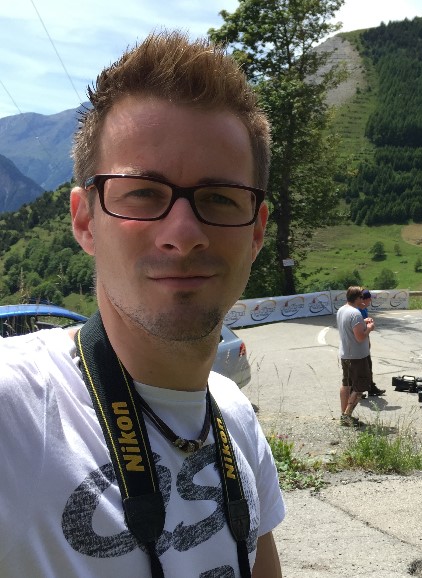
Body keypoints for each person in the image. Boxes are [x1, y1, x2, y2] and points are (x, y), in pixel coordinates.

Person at [0, 31, 284, 577]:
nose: (183, 233)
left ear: (256, 231)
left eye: (220, 198)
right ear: (85, 220)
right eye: (143, 193)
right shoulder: (18, 411)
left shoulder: (235, 420)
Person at [338, 286, 375, 426]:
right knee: (360, 387)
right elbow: (360, 337)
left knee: (346, 384)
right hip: (357, 356)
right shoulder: (356, 313)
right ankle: (347, 416)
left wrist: (363, 324)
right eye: (362, 297)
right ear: (358, 298)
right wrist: (369, 328)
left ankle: (344, 414)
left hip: (345, 354)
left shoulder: (342, 310)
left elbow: (350, 328)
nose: (363, 300)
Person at [358, 289, 385, 397]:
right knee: (360, 368)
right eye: (369, 299)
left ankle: (370, 387)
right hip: (359, 343)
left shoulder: (364, 310)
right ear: (365, 299)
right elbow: (359, 329)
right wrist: (368, 327)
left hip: (365, 341)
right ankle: (355, 390)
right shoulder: (357, 311)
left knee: (368, 365)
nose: (370, 301)